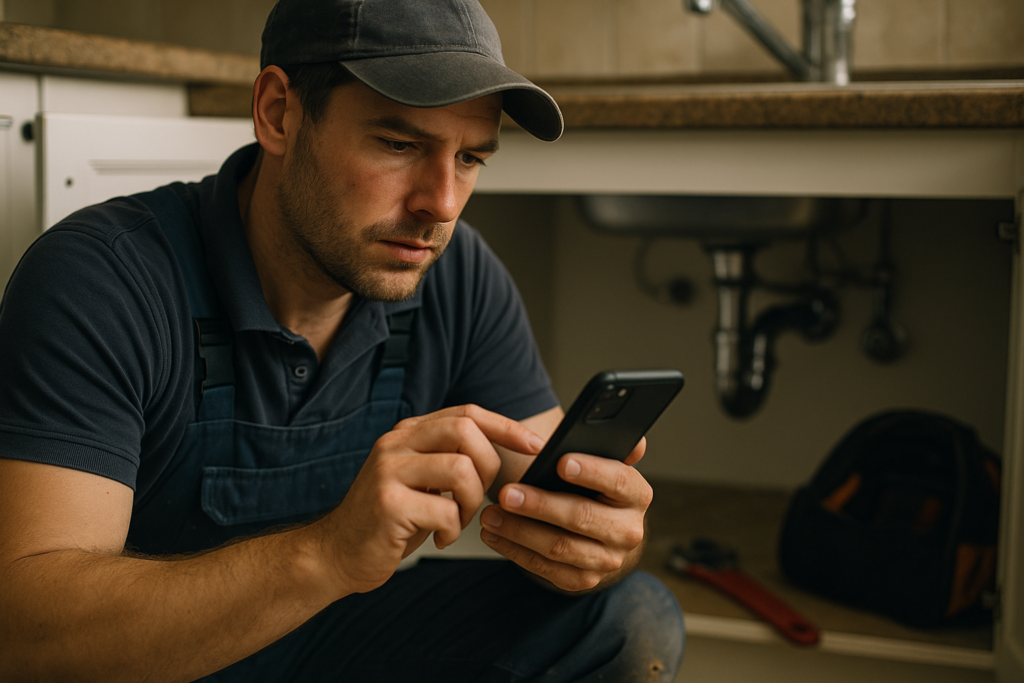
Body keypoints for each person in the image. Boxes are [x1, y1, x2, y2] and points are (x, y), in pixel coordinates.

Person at [0, 1, 685, 680]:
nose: (440, 204)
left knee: (628, 617)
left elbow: (560, 500)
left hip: (327, 642)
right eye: (399, 144)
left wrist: (597, 542)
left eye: (471, 157)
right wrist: (326, 554)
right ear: (278, 112)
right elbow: (23, 636)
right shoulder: (102, 280)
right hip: (151, 660)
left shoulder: (457, 275)